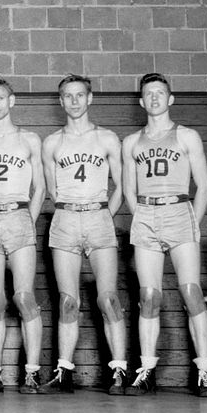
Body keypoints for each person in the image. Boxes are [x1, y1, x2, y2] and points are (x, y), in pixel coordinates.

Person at [121, 73, 207, 397]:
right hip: (147, 213)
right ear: (141, 101)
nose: (155, 98)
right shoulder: (131, 142)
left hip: (180, 211)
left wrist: (192, 222)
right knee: (149, 296)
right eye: (149, 93)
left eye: (160, 92)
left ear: (170, 98)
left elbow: (204, 187)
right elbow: (128, 190)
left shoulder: (187, 136)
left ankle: (204, 370)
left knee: (190, 291)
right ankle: (146, 369)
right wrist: (145, 217)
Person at [41, 74, 127, 395]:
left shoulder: (106, 138)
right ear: (60, 101)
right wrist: (71, 212)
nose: (74, 101)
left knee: (108, 298)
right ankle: (64, 372)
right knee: (67, 301)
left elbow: (122, 186)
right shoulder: (52, 142)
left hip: (99, 217)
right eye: (67, 96)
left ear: (89, 99)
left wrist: (105, 215)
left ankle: (119, 370)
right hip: (65, 218)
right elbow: (51, 190)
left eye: (80, 95)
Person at [0, 79, 45, 395]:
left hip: (19, 216)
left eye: (1, 98)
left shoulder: (29, 139)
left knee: (24, 297)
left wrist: (28, 220)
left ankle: (31, 372)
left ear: (12, 101)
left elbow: (40, 187)